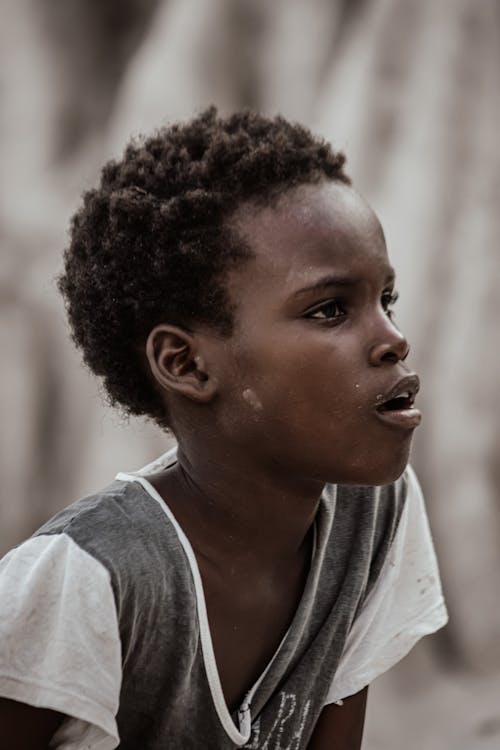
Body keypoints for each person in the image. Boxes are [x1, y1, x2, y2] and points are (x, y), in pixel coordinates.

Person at [0, 108, 447, 749]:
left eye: (387, 300)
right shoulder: (88, 579)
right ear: (186, 363)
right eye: (330, 309)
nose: (393, 339)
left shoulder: (372, 515)